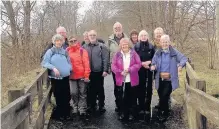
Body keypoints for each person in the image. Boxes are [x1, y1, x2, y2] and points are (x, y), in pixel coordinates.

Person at [151, 35, 187, 122]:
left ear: (169, 42)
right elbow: (153, 62)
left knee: (164, 96)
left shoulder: (174, 52)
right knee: (161, 95)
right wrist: (153, 66)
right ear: (160, 43)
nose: (165, 43)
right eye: (163, 42)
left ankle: (165, 113)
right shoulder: (158, 53)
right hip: (160, 79)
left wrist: (180, 65)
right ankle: (162, 110)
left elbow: (184, 58)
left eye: (166, 42)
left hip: (170, 80)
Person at [41, 34, 72, 120]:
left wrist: (69, 68)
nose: (58, 42)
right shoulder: (50, 51)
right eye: (57, 40)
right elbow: (44, 63)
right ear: (54, 42)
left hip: (65, 77)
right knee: (58, 95)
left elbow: (69, 63)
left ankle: (67, 114)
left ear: (62, 42)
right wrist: (53, 68)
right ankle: (61, 114)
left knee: (67, 95)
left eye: (60, 40)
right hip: (56, 79)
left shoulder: (65, 51)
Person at [112, 38, 141, 121]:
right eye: (123, 44)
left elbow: (138, 64)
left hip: (132, 80)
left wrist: (130, 69)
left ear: (129, 45)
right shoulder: (117, 54)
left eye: (126, 44)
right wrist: (120, 72)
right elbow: (113, 66)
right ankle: (123, 113)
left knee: (132, 98)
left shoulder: (134, 53)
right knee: (122, 98)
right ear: (120, 45)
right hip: (121, 80)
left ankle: (132, 114)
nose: (124, 45)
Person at [83, 30, 109, 113]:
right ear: (88, 36)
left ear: (96, 36)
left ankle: (101, 105)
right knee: (91, 89)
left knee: (100, 89)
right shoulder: (84, 47)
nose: (92, 36)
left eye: (94, 35)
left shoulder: (102, 46)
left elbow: (105, 59)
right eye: (90, 35)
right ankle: (92, 105)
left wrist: (105, 70)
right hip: (89, 72)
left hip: (99, 71)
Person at [106, 22, 130, 112]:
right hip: (115, 68)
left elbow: (131, 52)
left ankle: (126, 104)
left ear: (122, 28)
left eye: (119, 27)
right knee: (117, 86)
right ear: (113, 29)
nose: (117, 29)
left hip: (126, 67)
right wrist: (108, 67)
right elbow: (107, 54)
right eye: (115, 28)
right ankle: (118, 104)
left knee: (127, 86)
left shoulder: (127, 39)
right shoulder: (109, 40)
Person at [66, 36, 91, 117]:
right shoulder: (67, 51)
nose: (73, 42)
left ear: (77, 41)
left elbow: (86, 63)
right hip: (71, 76)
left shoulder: (82, 51)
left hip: (82, 75)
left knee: (82, 92)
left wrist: (87, 75)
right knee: (73, 92)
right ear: (69, 42)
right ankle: (75, 106)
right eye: (71, 41)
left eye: (74, 40)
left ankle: (82, 108)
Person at [134, 30, 155, 120]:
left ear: (147, 36)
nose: (143, 36)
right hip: (139, 69)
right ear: (139, 37)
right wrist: (142, 63)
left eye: (145, 35)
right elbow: (134, 58)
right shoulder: (136, 46)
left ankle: (147, 107)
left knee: (149, 88)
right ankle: (141, 106)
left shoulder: (151, 46)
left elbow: (155, 57)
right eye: (141, 35)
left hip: (149, 69)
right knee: (140, 88)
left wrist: (149, 62)